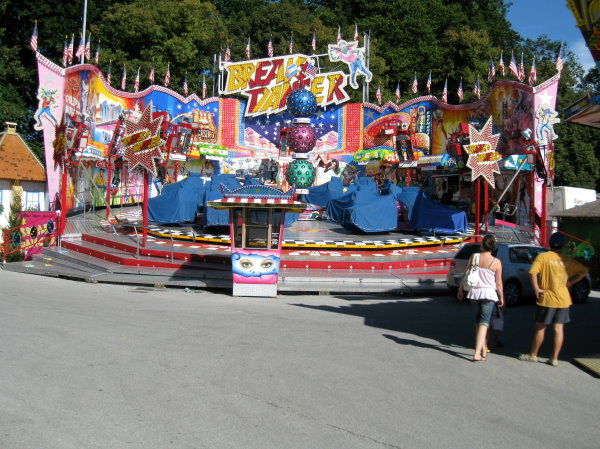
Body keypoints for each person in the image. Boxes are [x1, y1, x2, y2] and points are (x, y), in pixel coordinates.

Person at [518, 232, 589, 367]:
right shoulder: (567, 260)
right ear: (562, 245)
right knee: (558, 328)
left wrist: (537, 289)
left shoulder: (543, 257)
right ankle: (554, 358)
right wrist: (570, 282)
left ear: (550, 244)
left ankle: (533, 355)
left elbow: (532, 273)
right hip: (563, 299)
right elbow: (584, 271)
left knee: (540, 328)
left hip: (547, 298)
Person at [458, 235, 504, 361]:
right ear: (493, 247)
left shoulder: (474, 257)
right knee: (484, 323)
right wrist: (501, 297)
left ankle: (484, 349)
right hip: (488, 294)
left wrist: (460, 289)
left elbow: (466, 274)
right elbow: (498, 283)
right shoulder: (497, 262)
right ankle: (477, 353)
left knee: (479, 322)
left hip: (474, 293)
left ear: (482, 245)